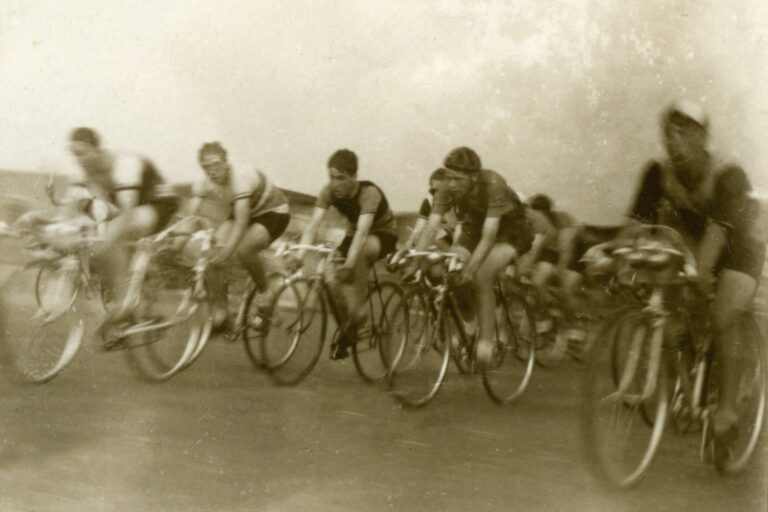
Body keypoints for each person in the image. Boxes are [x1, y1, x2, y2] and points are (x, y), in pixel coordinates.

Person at [628, 100, 766, 469]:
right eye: (669, 133)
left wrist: (697, 277)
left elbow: (718, 238)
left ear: (703, 138)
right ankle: (692, 375)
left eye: (684, 133)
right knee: (670, 301)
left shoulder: (728, 174)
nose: (674, 142)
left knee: (722, 316)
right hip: (700, 241)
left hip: (741, 249)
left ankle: (726, 410)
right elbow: (637, 227)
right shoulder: (659, 173)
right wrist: (624, 260)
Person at [413, 146, 534, 365]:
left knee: (481, 274)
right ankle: (470, 324)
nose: (452, 184)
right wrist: (415, 262)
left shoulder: (494, 183)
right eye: (449, 177)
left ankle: (486, 343)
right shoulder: (446, 187)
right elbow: (431, 227)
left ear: (474, 176)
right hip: (475, 226)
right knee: (452, 268)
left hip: (511, 231)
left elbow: (489, 236)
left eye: (458, 179)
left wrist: (471, 270)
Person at [59, 127, 179, 326]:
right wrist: (60, 227)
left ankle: (125, 305)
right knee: (95, 229)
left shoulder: (125, 165)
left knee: (111, 239)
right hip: (130, 203)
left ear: (96, 150)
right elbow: (70, 206)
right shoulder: (83, 168)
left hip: (159, 203)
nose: (77, 159)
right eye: (73, 154)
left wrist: (106, 243)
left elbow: (127, 214)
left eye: (81, 153)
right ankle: (131, 294)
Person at [288, 149, 398, 359]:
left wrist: (349, 264)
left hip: (383, 233)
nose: (335, 183)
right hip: (355, 233)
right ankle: (349, 329)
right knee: (329, 270)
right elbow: (313, 225)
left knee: (359, 254)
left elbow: (363, 232)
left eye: (341, 178)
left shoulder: (369, 193)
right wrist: (299, 257)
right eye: (331, 177)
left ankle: (359, 314)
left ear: (354, 177)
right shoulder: (328, 191)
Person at [186, 142, 290, 329]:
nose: (211, 171)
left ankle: (266, 293)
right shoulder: (203, 181)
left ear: (226, 162)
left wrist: (226, 252)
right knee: (212, 255)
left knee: (244, 250)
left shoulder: (241, 176)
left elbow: (241, 222)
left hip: (273, 212)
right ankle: (221, 312)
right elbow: (189, 216)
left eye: (216, 164)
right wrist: (179, 238)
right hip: (247, 211)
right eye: (206, 166)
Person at [395, 168, 455, 257]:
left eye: (442, 190)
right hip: (444, 236)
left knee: (435, 231)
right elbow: (420, 225)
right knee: (428, 231)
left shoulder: (457, 198)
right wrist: (410, 241)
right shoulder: (429, 200)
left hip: (458, 234)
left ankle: (450, 255)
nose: (438, 194)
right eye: (434, 191)